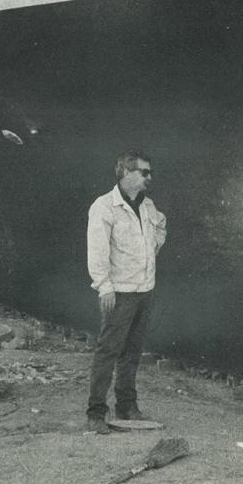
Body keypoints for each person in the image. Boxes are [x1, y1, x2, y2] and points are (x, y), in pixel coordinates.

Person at [85, 150, 167, 435]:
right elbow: (97, 250)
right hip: (118, 293)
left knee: (132, 353)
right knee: (108, 352)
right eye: (144, 172)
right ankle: (96, 413)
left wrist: (150, 256)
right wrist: (104, 286)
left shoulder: (147, 206)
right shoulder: (104, 207)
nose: (149, 177)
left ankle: (127, 406)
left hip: (145, 290)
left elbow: (158, 231)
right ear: (126, 173)